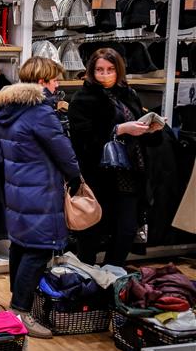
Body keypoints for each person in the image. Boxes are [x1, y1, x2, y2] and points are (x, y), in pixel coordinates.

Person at [0, 57, 82, 338]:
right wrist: (75, 176)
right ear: (42, 82)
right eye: (54, 81)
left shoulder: (8, 109)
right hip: (40, 189)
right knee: (39, 249)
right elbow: (63, 152)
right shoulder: (40, 111)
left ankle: (17, 303)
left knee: (21, 246)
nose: (57, 85)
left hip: (18, 188)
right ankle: (21, 311)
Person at [69, 48, 164, 267]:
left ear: (118, 70)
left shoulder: (128, 94)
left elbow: (138, 133)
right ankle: (87, 281)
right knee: (92, 231)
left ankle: (113, 277)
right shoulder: (83, 98)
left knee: (126, 230)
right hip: (98, 176)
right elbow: (83, 141)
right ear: (91, 71)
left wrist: (150, 129)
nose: (105, 74)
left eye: (110, 69)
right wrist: (119, 129)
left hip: (129, 174)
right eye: (100, 69)